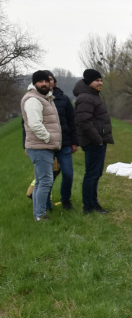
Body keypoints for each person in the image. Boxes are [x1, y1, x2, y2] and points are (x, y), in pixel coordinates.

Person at [21, 70, 61, 221]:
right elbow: (35, 124)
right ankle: (40, 215)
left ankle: (38, 213)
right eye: (40, 81)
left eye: (46, 81)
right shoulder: (33, 99)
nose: (44, 84)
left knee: (40, 181)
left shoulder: (44, 98)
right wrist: (48, 138)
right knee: (45, 181)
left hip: (42, 146)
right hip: (40, 147)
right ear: (34, 83)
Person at [74, 68, 114, 214]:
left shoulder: (93, 96)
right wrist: (98, 139)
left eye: (101, 80)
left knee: (96, 173)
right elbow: (84, 121)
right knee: (91, 174)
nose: (100, 83)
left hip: (98, 141)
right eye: (97, 80)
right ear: (89, 82)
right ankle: (89, 207)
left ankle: (94, 204)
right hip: (94, 142)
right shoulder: (86, 97)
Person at [48, 72, 78, 210]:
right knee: (46, 176)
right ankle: (45, 202)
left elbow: (72, 121)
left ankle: (66, 200)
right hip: (45, 145)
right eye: (45, 80)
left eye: (50, 80)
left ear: (55, 82)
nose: (48, 83)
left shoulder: (64, 99)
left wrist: (74, 142)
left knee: (68, 173)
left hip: (64, 143)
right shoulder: (36, 100)